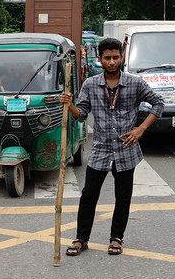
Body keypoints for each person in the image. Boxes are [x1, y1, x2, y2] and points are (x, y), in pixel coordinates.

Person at [59, 38, 164, 256]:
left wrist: (140, 129)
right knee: (88, 195)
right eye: (107, 58)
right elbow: (81, 116)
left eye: (116, 57)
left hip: (126, 151)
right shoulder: (90, 84)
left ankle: (116, 238)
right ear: (100, 59)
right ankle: (81, 239)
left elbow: (158, 103)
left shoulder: (136, 83)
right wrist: (69, 106)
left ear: (121, 57)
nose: (112, 62)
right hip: (100, 150)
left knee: (123, 197)